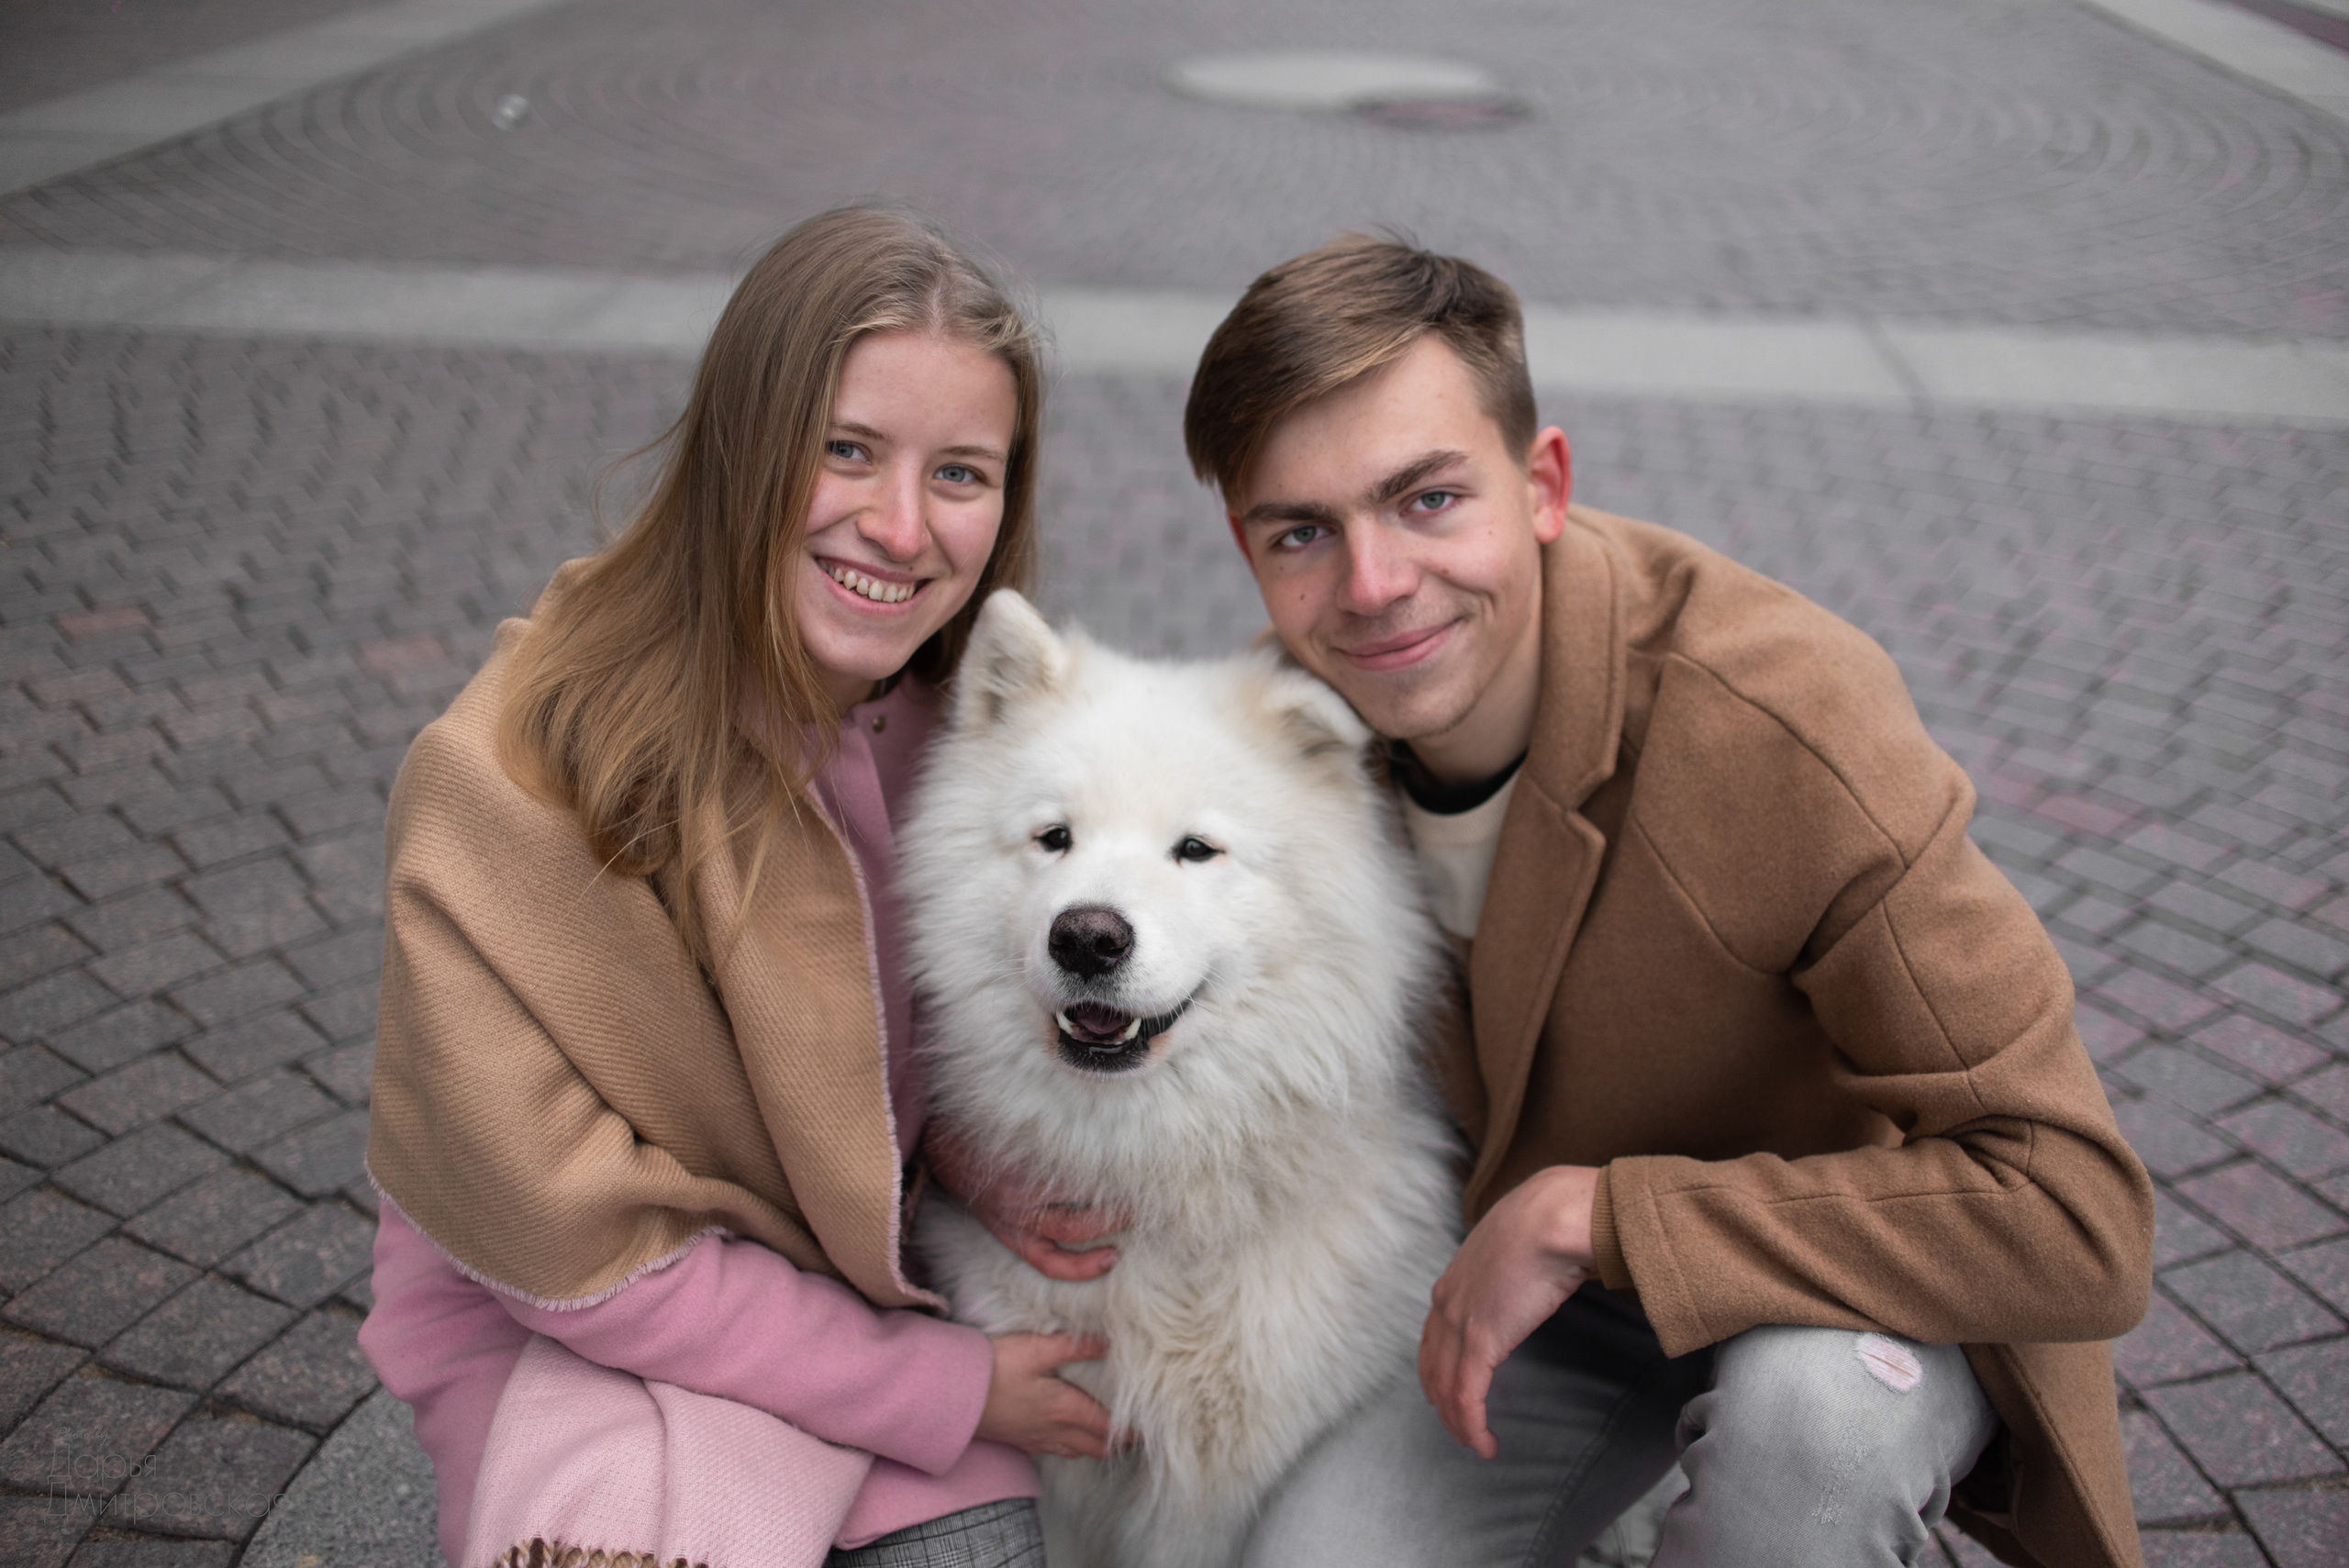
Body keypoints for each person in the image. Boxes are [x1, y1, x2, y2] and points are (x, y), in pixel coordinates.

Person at [961, 236, 2154, 1568]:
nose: (1373, 586)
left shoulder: (1787, 723)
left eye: (1426, 499)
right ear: (1248, 547)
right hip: (1562, 1305)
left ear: (1543, 486)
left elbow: (2077, 1211)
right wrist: (974, 1155)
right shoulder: (1276, 747)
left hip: (1841, 1266)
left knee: (1807, 1445)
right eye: (1303, 531)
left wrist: (1601, 1217)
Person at [357, 206, 1118, 1568]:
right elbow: (571, 1245)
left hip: (865, 1272)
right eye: (846, 449)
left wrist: (963, 1157)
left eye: (960, 473)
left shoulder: (977, 748)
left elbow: (915, 1045)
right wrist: (940, 1388)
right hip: (585, 1328)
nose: (899, 526)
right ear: (742, 442)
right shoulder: (513, 774)